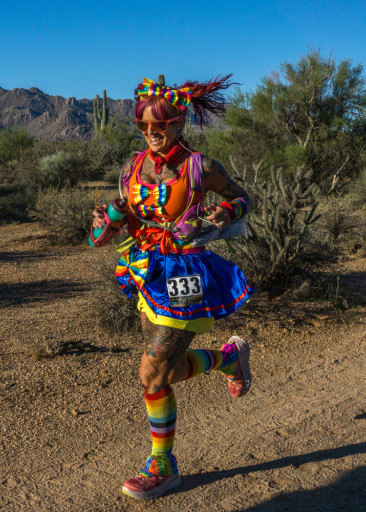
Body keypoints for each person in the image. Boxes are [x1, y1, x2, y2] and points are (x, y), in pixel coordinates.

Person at [90, 75, 253, 500]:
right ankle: (229, 358)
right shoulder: (133, 167)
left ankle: (163, 465)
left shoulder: (201, 167)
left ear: (179, 123)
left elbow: (242, 198)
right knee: (165, 372)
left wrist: (222, 212)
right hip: (146, 269)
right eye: (143, 127)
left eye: (158, 126)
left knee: (152, 372)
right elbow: (125, 213)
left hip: (185, 274)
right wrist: (108, 221)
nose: (151, 134)